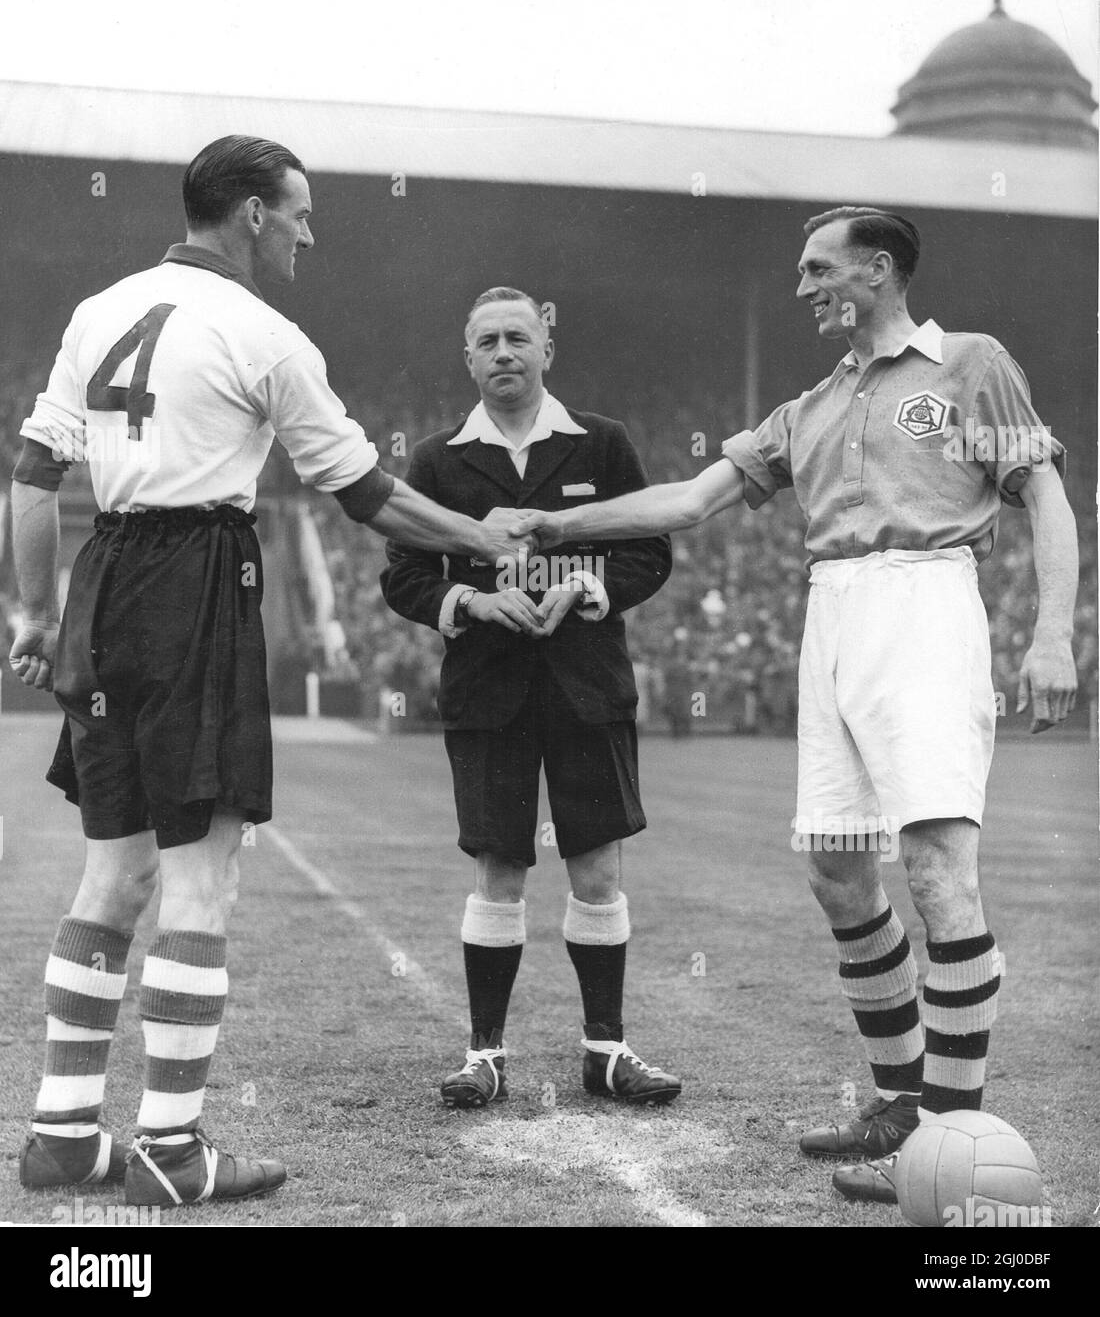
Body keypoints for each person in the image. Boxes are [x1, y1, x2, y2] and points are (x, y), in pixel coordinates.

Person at [513, 209, 1079, 1204]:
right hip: (831, 614)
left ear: (876, 268)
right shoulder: (806, 407)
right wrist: (554, 519)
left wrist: (1047, 632)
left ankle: (945, 1145)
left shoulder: (968, 363)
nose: (801, 285)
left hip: (924, 600)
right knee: (837, 871)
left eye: (817, 268)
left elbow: (1040, 494)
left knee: (938, 869)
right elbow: (687, 501)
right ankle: (897, 1103)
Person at [8, 136, 533, 1208]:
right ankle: (170, 1143)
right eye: (297, 212)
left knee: (113, 871)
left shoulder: (97, 310)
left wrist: (31, 608)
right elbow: (368, 494)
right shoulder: (264, 333)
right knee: (204, 872)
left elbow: (30, 476)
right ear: (250, 213)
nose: (306, 230)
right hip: (196, 581)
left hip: (102, 577)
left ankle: (62, 1131)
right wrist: (484, 541)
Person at [379, 287, 681, 1109]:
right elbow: (403, 576)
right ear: (467, 358)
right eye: (487, 342)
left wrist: (590, 584)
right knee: (499, 865)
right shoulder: (439, 460)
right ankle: (484, 1054)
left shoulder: (603, 444)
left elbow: (649, 553)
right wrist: (472, 604)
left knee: (596, 865)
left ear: (548, 346)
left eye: (519, 337)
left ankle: (607, 1051)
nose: (504, 352)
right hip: (487, 691)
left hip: (588, 684)